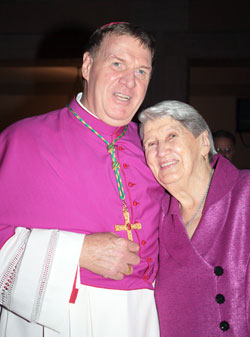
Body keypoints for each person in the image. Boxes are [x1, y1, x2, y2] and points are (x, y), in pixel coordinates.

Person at [0, 22, 165, 337]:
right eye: (117, 64)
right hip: (59, 316)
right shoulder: (24, 139)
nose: (129, 81)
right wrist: (77, 252)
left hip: (146, 317)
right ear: (87, 66)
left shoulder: (152, 145)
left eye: (142, 71)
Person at [139, 100, 250, 337]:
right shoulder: (155, 218)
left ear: (203, 143)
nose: (161, 151)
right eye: (151, 143)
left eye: (171, 136)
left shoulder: (245, 194)